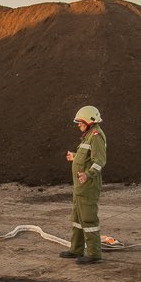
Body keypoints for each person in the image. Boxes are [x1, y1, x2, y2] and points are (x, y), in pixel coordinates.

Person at [59, 105, 107, 264]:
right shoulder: (87, 136)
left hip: (88, 187)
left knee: (88, 219)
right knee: (77, 219)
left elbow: (99, 162)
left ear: (89, 121)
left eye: (80, 122)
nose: (78, 125)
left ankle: (94, 254)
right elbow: (86, 157)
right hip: (80, 187)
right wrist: (74, 157)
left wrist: (87, 175)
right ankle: (76, 249)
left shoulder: (96, 136)